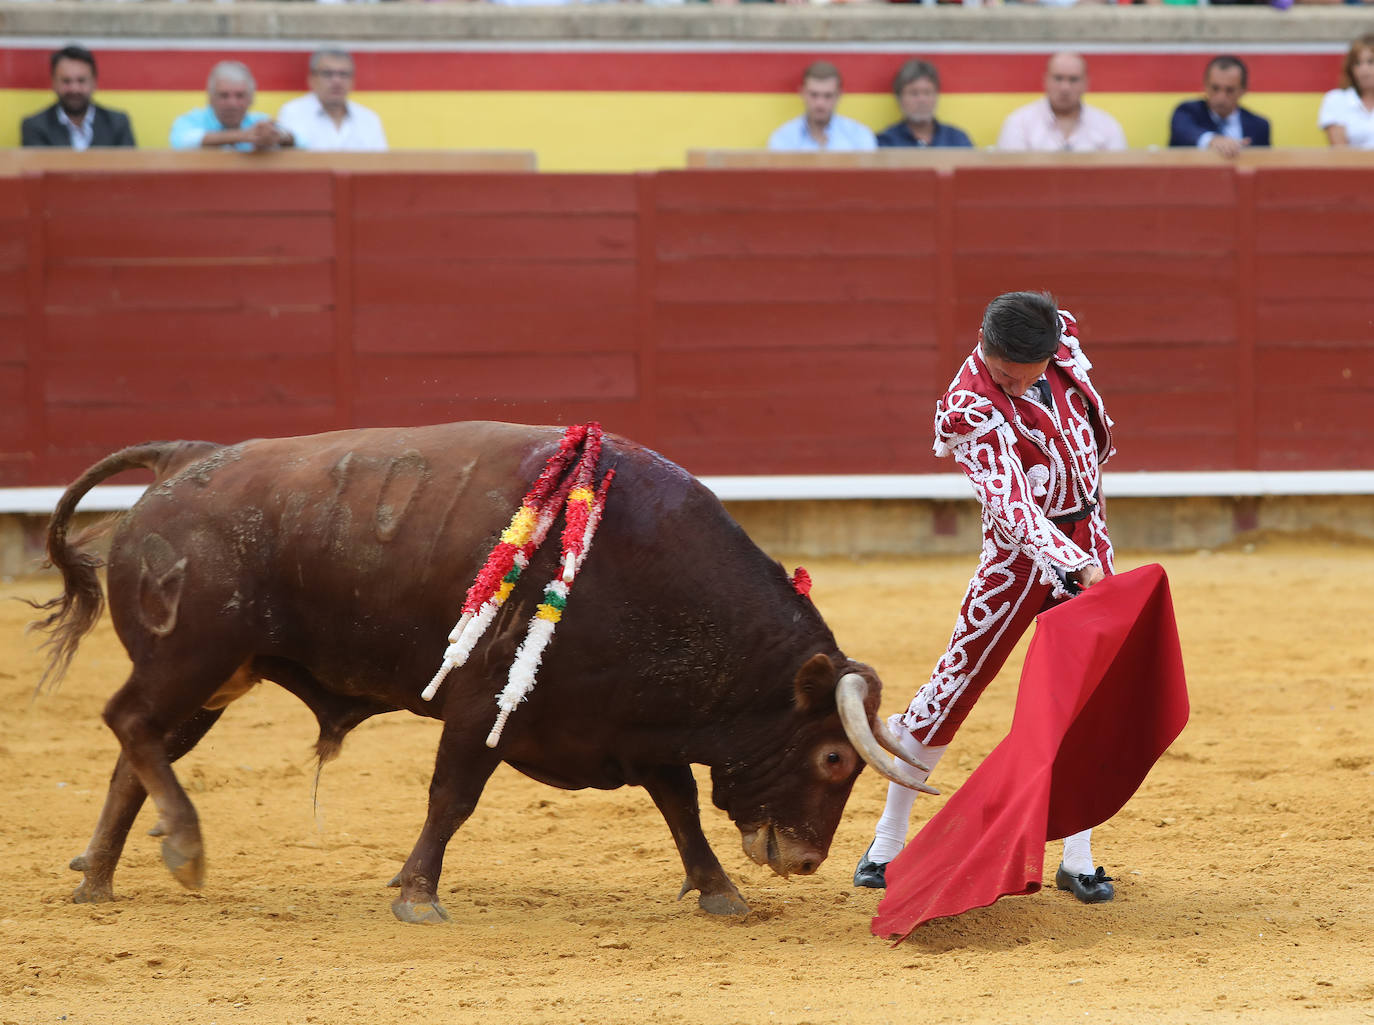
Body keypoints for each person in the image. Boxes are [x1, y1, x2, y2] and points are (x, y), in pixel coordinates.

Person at [854, 291, 1118, 905]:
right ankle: (886, 843)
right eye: (995, 364)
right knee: (955, 685)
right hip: (1017, 561)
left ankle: (1078, 858)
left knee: (1083, 695)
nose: (1003, 376)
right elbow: (1011, 503)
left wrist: (1088, 552)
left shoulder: (1061, 342)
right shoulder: (971, 404)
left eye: (1015, 371)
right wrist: (1075, 564)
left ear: (1048, 353)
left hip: (1088, 534)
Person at [996, 52, 1127, 152]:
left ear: (1086, 83)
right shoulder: (1019, 124)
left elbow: (1119, 178)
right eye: (1058, 78)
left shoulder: (1107, 126)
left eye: (1073, 79)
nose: (1065, 88)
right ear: (1045, 81)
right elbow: (1011, 181)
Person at [20, 44, 135, 149]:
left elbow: (130, 169)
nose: (74, 89)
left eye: (81, 80)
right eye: (66, 81)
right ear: (53, 83)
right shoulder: (35, 127)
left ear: (94, 82)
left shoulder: (117, 124)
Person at [276, 48, 388, 152]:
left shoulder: (369, 119)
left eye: (343, 74)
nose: (336, 81)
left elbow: (381, 165)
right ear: (312, 79)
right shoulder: (292, 112)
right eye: (328, 74)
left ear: (353, 81)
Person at [170, 61, 294, 152]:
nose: (232, 103)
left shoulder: (260, 121)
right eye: (224, 96)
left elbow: (301, 140)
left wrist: (278, 136)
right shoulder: (190, 120)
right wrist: (242, 136)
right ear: (210, 98)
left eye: (240, 96)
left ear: (251, 99)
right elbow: (182, 141)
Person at [1169, 55, 1271, 157]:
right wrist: (1212, 140)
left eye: (1230, 90)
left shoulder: (1259, 126)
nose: (1221, 97)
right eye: (1215, 88)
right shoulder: (1186, 112)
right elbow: (1184, 132)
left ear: (1243, 90)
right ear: (1205, 86)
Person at [768, 61, 876, 152]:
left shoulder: (859, 135)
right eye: (814, 95)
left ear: (839, 95)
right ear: (802, 93)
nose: (820, 103)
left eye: (828, 95)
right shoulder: (784, 137)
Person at [876, 59, 973, 149]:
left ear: (936, 96)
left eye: (927, 92)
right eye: (914, 93)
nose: (922, 100)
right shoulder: (886, 141)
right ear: (899, 98)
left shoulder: (956, 139)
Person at [1319, 34, 1374, 149]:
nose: (1364, 69)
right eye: (1357, 63)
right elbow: (1341, 154)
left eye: (1371, 62)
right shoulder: (1336, 99)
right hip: (1353, 167)